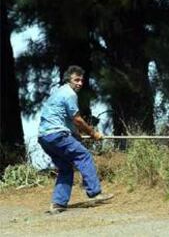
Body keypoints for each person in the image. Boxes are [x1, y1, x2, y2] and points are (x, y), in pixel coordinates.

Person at [38, 65, 113, 214]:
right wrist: (93, 133)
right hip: (57, 135)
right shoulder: (70, 94)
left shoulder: (58, 93)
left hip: (45, 138)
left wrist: (76, 134)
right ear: (68, 80)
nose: (79, 83)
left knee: (65, 167)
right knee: (83, 155)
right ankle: (95, 193)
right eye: (76, 80)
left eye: (81, 80)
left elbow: (66, 120)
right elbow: (77, 119)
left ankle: (58, 203)